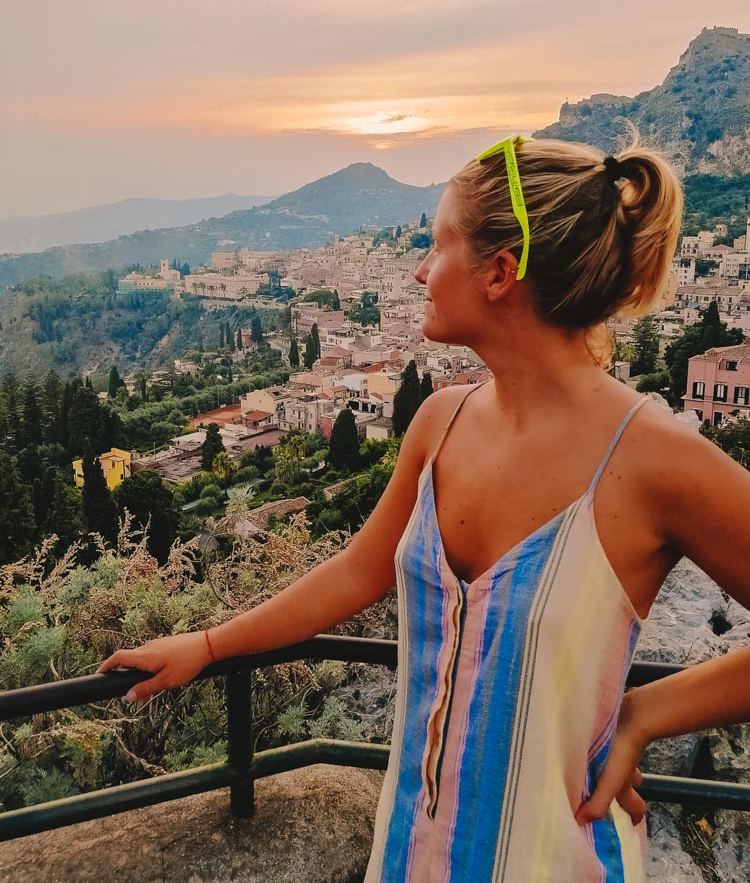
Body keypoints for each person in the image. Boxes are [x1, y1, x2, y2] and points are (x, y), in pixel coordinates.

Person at [99, 136, 750, 882]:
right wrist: (210, 647)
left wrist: (643, 715)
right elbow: (357, 571)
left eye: (438, 245)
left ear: (501, 272)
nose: (418, 270)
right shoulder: (440, 423)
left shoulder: (653, 458)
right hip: (412, 851)